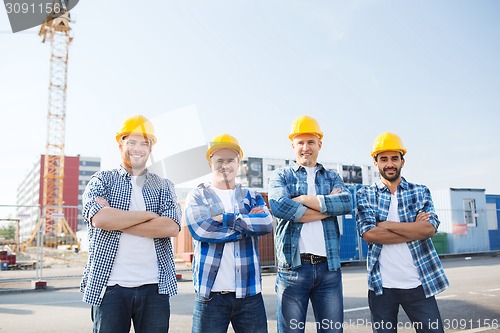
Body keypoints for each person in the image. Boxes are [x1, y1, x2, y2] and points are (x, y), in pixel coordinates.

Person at [80, 115, 181, 333]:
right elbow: (99, 219)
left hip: (154, 287)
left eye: (144, 143)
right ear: (120, 145)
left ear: (151, 148)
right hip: (110, 288)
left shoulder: (163, 185)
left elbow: (171, 227)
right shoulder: (102, 180)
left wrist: (117, 220)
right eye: (132, 142)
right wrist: (149, 215)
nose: (138, 148)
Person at [356, 132, 449, 333]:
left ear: (402, 161)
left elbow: (428, 229)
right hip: (382, 287)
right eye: (384, 159)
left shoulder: (420, 191)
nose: (389, 164)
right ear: (376, 163)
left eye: (394, 158)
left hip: (419, 283)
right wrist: (413, 229)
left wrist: (386, 224)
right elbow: (369, 235)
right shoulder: (365, 194)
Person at [268, 115, 353, 333]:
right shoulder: (281, 176)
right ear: (293, 145)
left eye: (311, 142)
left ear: (319, 145)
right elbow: (279, 206)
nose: (306, 148)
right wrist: (328, 209)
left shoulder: (333, 176)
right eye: (301, 143)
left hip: (329, 269)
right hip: (293, 269)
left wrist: (303, 200)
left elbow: (345, 202)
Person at [184, 133, 274, 333]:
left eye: (231, 160)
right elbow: (201, 230)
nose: (225, 165)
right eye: (219, 160)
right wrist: (247, 227)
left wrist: (224, 218)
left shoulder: (252, 196)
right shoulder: (198, 195)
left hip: (249, 295)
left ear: (239, 163)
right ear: (210, 163)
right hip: (210, 296)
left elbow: (267, 224)